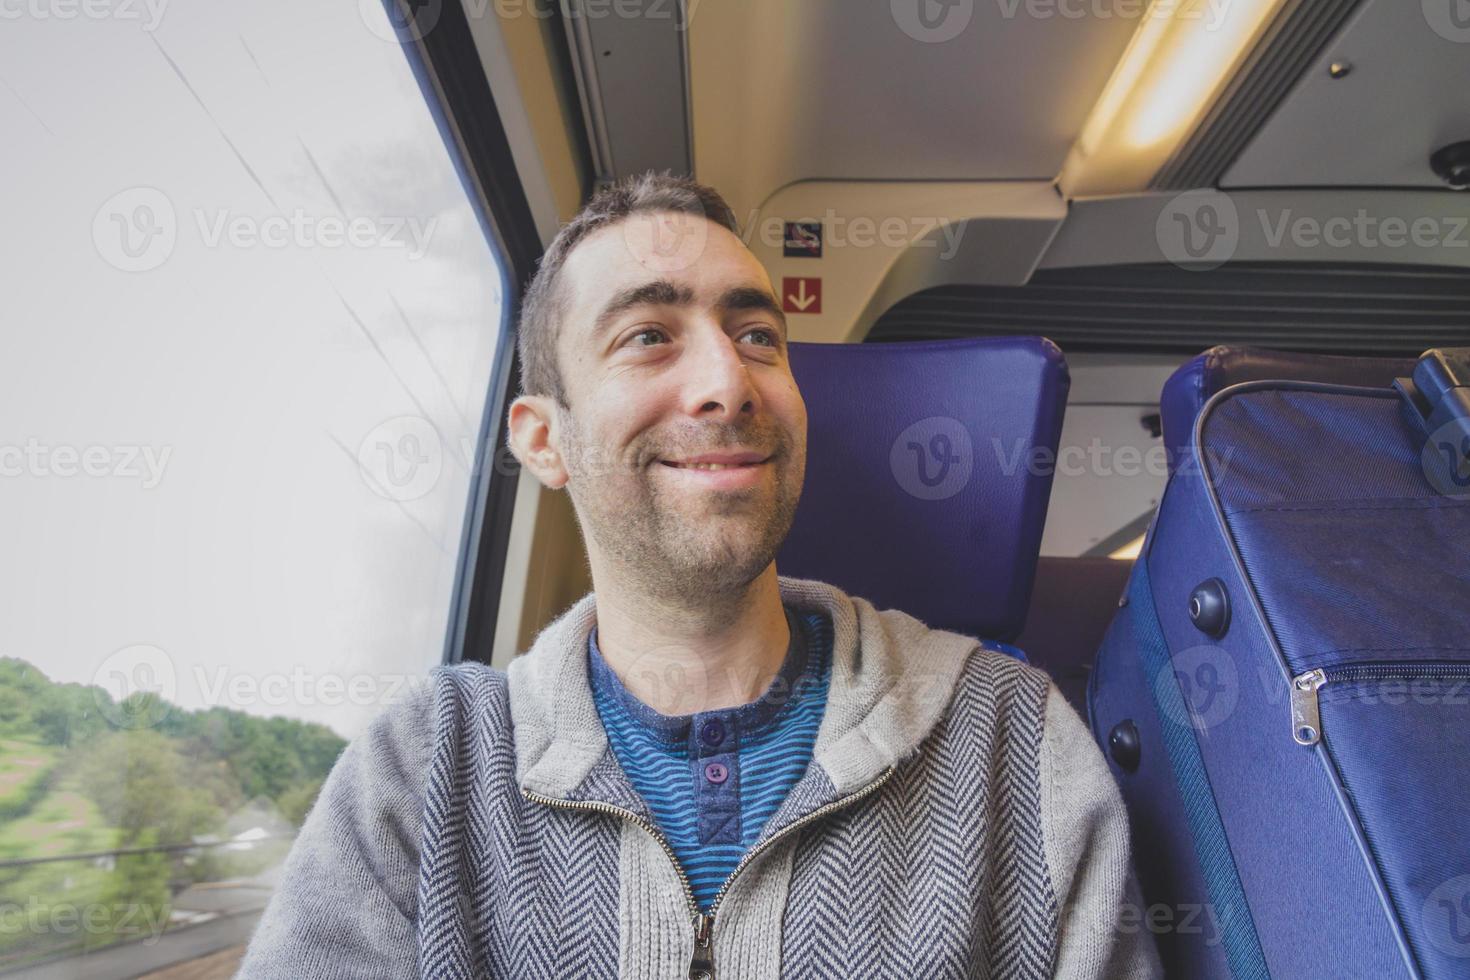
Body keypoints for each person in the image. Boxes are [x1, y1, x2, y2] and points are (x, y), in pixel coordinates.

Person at [239, 173, 1161, 979]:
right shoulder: (426, 769)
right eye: (648, 334)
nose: (730, 379)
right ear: (542, 438)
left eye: (758, 334)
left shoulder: (1010, 739)